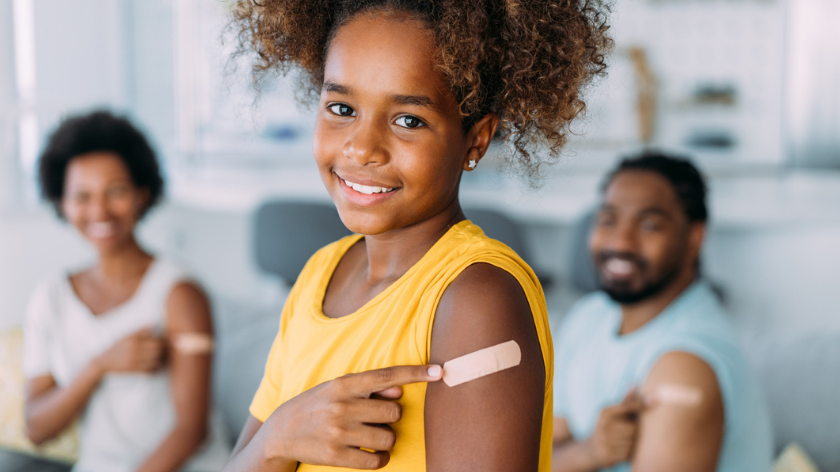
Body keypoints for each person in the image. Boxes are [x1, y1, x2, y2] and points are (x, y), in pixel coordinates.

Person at [222, 1, 611, 471]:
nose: (362, 148)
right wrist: (278, 437)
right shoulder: (320, 273)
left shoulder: (475, 299)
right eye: (342, 108)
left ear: (477, 139)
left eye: (409, 120)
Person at [24, 111, 230, 472]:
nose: (99, 209)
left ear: (142, 194)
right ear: (62, 203)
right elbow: (37, 429)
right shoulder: (50, 297)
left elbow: (191, 431)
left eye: (115, 191)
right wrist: (99, 365)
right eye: (82, 196)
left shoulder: (180, 294)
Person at [551, 152, 773, 472]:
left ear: (694, 238)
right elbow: (536, 454)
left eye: (649, 225)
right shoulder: (588, 316)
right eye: (608, 220)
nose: (621, 241)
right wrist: (590, 453)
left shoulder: (684, 366)